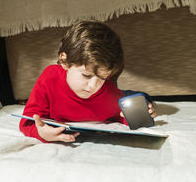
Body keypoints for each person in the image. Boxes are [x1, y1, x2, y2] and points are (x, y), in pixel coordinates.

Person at [19, 20, 156, 143]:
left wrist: (139, 115)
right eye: (86, 75)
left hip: (116, 95)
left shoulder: (109, 94)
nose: (93, 86)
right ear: (64, 61)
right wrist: (41, 134)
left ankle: (142, 96)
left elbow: (123, 118)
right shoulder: (50, 78)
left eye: (102, 78)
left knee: (138, 98)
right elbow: (27, 122)